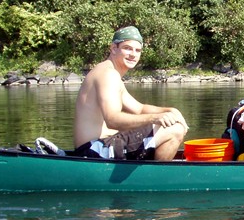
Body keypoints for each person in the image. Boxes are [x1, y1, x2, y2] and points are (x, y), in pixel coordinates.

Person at [74, 25, 188, 160]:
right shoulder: (107, 74)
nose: (133, 54)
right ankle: (157, 178)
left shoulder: (110, 73)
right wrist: (155, 118)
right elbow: (112, 120)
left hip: (98, 147)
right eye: (127, 48)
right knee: (175, 129)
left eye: (137, 50)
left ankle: (152, 172)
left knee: (168, 124)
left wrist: (170, 110)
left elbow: (139, 109)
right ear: (113, 48)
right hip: (94, 151)